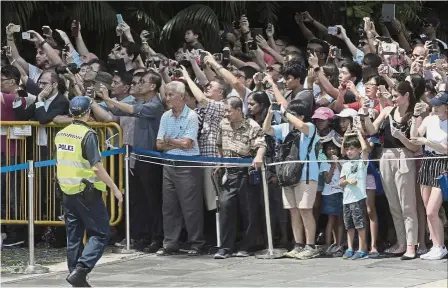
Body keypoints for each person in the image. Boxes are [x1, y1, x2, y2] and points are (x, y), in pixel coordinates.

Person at [55, 96, 122, 287]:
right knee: (100, 233)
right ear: (88, 112)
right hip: (87, 191)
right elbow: (97, 168)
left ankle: (75, 274)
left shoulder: (62, 134)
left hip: (68, 190)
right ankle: (81, 270)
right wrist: (115, 188)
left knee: (74, 235)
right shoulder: (87, 134)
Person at [363, 81, 420, 260]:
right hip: (386, 156)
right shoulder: (387, 111)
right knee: (393, 203)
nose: (393, 99)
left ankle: (412, 245)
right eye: (392, 96)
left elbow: (414, 147)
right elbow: (372, 129)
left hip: (404, 156)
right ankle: (401, 242)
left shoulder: (413, 116)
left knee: (407, 204)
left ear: (406, 96)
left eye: (396, 96)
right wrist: (365, 115)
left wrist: (400, 136)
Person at [263, 100, 320, 260]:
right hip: (287, 175)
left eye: (293, 114)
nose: (288, 117)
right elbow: (266, 129)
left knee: (305, 210)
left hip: (306, 174)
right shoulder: (284, 128)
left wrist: (285, 113)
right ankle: (298, 245)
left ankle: (311, 246)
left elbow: (302, 127)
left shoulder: (310, 127)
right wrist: (269, 114)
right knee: (293, 211)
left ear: (301, 116)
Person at [155, 81, 205, 256]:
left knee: (191, 206)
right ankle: (170, 243)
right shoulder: (165, 116)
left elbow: (188, 144)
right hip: (169, 164)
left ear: (182, 96)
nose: (167, 98)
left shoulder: (191, 116)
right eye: (166, 94)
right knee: (169, 206)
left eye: (171, 95)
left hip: (187, 165)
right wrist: (175, 142)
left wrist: (170, 141)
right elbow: (159, 144)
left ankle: (197, 242)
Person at [213, 96, 266, 259]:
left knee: (248, 210)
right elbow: (219, 145)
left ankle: (247, 246)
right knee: (226, 207)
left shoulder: (252, 125)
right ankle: (225, 247)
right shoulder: (223, 124)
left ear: (238, 110)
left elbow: (261, 144)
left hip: (246, 171)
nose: (226, 114)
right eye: (224, 111)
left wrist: (258, 157)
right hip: (229, 172)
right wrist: (219, 161)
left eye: (228, 111)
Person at [410, 91, 448, 260]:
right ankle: (435, 245)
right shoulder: (429, 119)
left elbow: (445, 149)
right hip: (427, 162)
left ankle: (440, 246)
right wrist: (415, 116)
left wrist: (427, 142)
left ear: (446, 107)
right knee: (427, 209)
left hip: (443, 164)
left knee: (433, 210)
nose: (435, 107)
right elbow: (414, 136)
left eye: (438, 105)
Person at [339, 129, 369, 260]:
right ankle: (350, 248)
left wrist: (359, 136)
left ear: (358, 150)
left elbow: (365, 150)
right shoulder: (345, 165)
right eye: (347, 149)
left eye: (352, 149)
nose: (349, 152)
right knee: (349, 225)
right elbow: (341, 182)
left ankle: (362, 249)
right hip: (346, 199)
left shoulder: (362, 163)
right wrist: (347, 181)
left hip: (358, 198)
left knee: (360, 225)